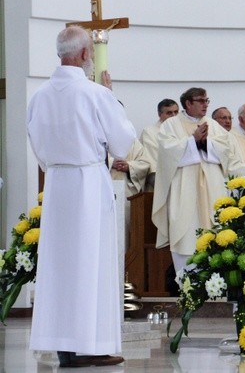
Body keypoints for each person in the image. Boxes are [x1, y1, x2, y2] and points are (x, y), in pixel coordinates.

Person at [27, 25, 135, 367]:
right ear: (86, 55)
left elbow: (39, 151)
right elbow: (123, 143)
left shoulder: (40, 95)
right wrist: (110, 97)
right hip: (88, 182)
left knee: (61, 267)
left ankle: (63, 345)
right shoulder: (94, 94)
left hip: (57, 184)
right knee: (92, 263)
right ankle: (92, 344)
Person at [152, 88, 245, 274]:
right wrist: (192, 141)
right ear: (188, 103)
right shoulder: (171, 125)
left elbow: (227, 150)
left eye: (206, 101)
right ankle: (188, 288)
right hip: (184, 189)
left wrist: (205, 143)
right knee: (186, 234)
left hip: (213, 189)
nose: (205, 104)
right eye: (201, 101)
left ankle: (216, 287)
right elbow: (166, 152)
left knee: (217, 233)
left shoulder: (213, 125)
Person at [140, 98, 179, 189]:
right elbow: (152, 159)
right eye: (169, 113)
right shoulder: (150, 132)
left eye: (176, 112)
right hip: (159, 180)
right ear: (159, 114)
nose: (173, 116)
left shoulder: (183, 131)